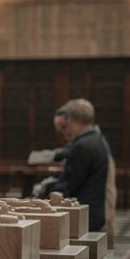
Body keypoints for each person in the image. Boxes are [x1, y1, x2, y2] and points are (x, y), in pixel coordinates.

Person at [46, 99, 111, 232]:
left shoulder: (82, 145)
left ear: (77, 121)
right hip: (95, 211)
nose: (67, 127)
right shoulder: (98, 139)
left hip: (83, 214)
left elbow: (69, 183)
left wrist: (45, 194)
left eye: (68, 121)